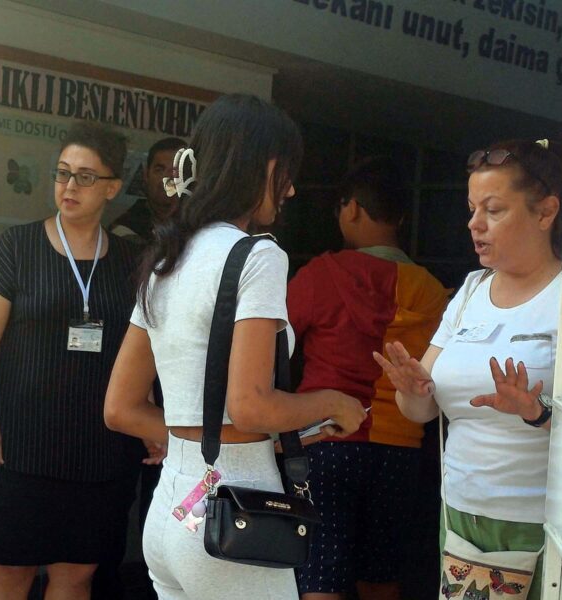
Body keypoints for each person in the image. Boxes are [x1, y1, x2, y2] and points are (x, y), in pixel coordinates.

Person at [104, 93, 369, 600]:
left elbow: (120, 408)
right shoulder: (257, 255)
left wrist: (214, 439)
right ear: (263, 165)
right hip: (235, 516)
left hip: (171, 511)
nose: (290, 189)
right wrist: (334, 402)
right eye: (286, 171)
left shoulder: (165, 257)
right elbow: (250, 406)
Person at [374, 139, 562, 600]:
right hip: (459, 513)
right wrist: (412, 389)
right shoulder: (471, 290)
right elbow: (421, 410)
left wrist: (536, 411)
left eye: (493, 210)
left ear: (545, 213)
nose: (474, 224)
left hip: (536, 523)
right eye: (471, 208)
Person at [0, 121, 139, 600]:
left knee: (76, 575)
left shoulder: (131, 260)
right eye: (63, 173)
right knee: (11, 571)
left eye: (86, 176)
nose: (69, 186)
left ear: (112, 188)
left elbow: (139, 347)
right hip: (18, 445)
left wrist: (145, 415)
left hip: (99, 450)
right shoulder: (18, 246)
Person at [288, 157, 448, 600]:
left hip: (325, 441)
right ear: (400, 218)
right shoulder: (431, 290)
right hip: (400, 447)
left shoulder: (321, 275)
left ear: (352, 208)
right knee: (381, 577)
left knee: (321, 574)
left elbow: (271, 344)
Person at [110, 137, 186, 243]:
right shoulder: (125, 229)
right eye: (159, 170)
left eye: (177, 171)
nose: (168, 178)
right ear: (146, 175)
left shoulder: (198, 223)